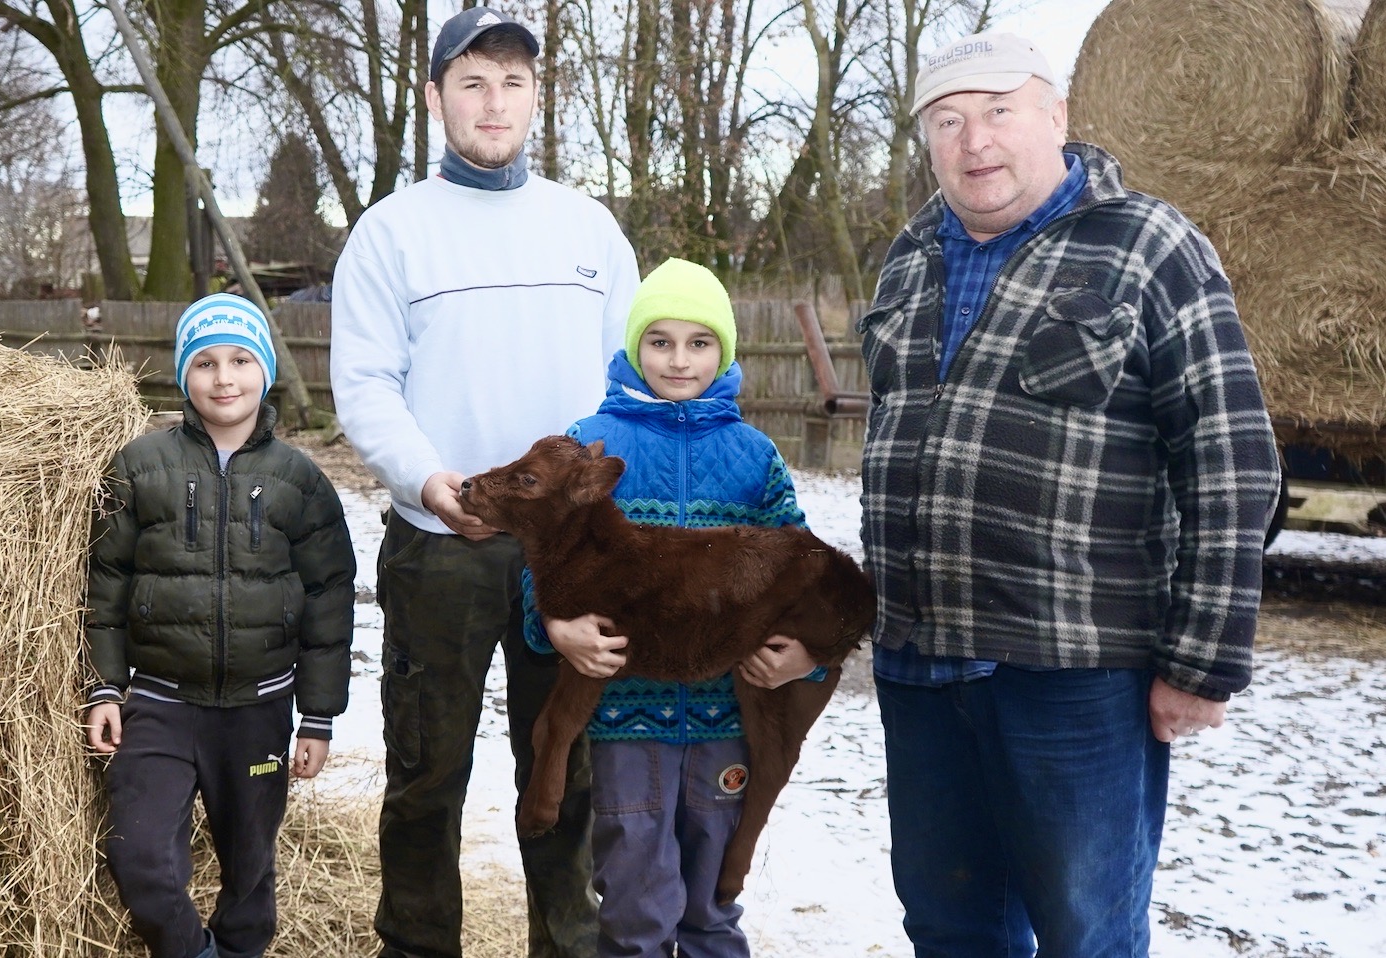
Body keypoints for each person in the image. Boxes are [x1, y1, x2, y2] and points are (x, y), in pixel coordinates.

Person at [859, 31, 1282, 958]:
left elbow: (1230, 454)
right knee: (947, 926)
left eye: (999, 110)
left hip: (1076, 675)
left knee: (1086, 934)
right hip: (921, 664)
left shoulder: (1149, 244)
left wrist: (1202, 660)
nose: (975, 142)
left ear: (1056, 114)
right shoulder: (908, 255)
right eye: (949, 119)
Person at [328, 7, 639, 957]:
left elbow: (626, 383)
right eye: (471, 81)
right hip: (442, 547)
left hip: (571, 557)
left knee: (567, 764)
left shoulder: (588, 231)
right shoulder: (392, 235)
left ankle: (569, 943)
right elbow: (366, 386)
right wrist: (429, 482)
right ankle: (418, 944)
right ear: (436, 99)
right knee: (427, 773)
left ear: (537, 98)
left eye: (511, 81)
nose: (492, 101)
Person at [524, 258, 822, 958]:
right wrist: (556, 624)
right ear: (632, 347)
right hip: (627, 718)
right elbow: (541, 551)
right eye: (659, 341)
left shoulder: (754, 458)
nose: (679, 359)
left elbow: (804, 572)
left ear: (725, 349)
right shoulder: (591, 443)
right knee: (635, 909)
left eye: (699, 341)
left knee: (712, 908)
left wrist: (806, 651)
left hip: (726, 714)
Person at [84, 292, 356, 958]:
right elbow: (105, 586)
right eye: (205, 363)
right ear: (185, 376)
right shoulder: (140, 466)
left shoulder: (300, 480)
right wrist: (105, 687)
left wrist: (317, 716)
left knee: (249, 870)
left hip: (258, 708)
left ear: (264, 370)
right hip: (158, 703)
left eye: (240, 360)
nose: (224, 377)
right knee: (141, 857)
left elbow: (329, 597)